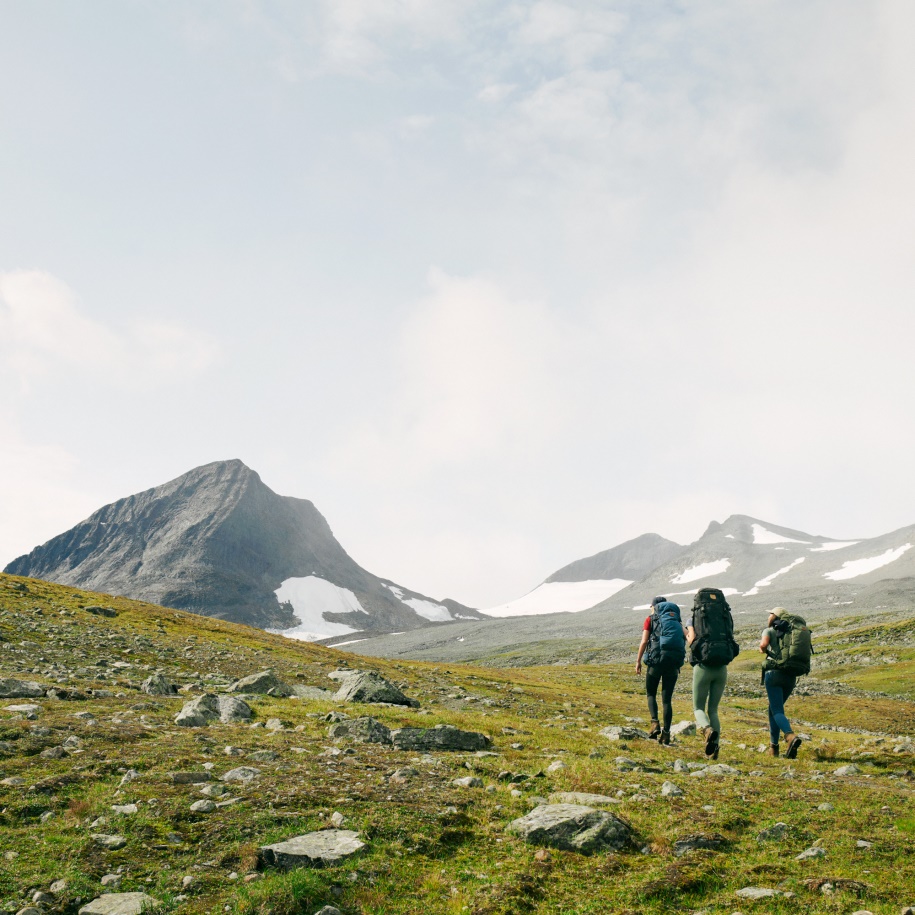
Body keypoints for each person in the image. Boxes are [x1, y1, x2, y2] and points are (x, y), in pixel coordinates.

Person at [686, 588, 739, 760]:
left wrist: (688, 634)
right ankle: (715, 750)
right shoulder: (724, 615)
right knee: (714, 709)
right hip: (722, 667)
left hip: (703, 666)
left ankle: (707, 730)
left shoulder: (694, 618)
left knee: (698, 707)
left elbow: (692, 639)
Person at [635, 596, 686, 745]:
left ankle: (654, 723)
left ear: (654, 606)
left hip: (656, 662)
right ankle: (667, 733)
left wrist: (638, 661)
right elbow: (686, 636)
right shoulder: (676, 620)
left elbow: (644, 641)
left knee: (651, 693)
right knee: (667, 700)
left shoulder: (650, 619)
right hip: (672, 664)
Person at [760, 607, 802, 758]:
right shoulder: (792, 631)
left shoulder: (769, 630)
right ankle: (774, 749)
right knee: (774, 709)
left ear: (774, 616)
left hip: (774, 674)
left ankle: (790, 736)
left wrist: (763, 650)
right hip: (790, 676)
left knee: (776, 710)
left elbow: (764, 645)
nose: (769, 616)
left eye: (770, 613)